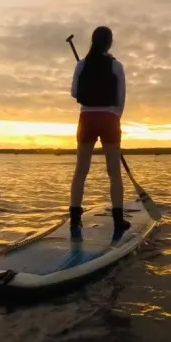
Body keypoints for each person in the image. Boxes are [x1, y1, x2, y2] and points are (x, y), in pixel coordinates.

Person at [69, 26, 129, 241]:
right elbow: (121, 97)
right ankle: (118, 220)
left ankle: (75, 219)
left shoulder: (82, 64)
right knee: (114, 173)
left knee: (80, 171)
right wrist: (115, 119)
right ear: (109, 43)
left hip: (86, 119)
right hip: (110, 118)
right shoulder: (116, 65)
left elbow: (75, 93)